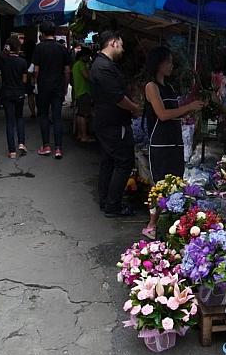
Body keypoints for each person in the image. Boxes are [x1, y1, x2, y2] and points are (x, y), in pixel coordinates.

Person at [143, 46, 204, 239]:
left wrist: (190, 110)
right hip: (160, 143)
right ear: (158, 63)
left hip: (175, 142)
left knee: (175, 184)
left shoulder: (169, 87)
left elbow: (174, 114)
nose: (171, 65)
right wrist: (188, 106)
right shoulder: (151, 87)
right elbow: (162, 114)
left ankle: (170, 222)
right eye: (168, 61)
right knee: (159, 185)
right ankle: (152, 224)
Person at [90, 31, 140, 218]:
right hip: (113, 122)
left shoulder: (103, 65)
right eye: (121, 44)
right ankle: (113, 205)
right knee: (123, 162)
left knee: (109, 161)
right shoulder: (103, 67)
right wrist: (134, 108)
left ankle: (107, 201)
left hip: (107, 121)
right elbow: (117, 97)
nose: (123, 48)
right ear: (113, 43)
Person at [33, 21, 70, 159]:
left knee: (43, 115)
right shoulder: (62, 48)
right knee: (57, 117)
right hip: (58, 87)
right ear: (54, 33)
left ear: (42, 34)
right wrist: (66, 86)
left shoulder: (39, 48)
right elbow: (67, 70)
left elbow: (36, 70)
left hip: (43, 87)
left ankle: (46, 146)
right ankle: (59, 148)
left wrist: (36, 83)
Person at [0, 37, 28, 159]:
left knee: (9, 121)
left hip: (6, 93)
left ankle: (12, 151)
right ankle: (22, 143)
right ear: (18, 47)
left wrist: (2, 73)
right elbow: (24, 80)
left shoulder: (1, 60)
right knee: (19, 117)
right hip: (19, 93)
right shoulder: (22, 62)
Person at [72, 46, 94, 142]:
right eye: (88, 56)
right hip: (84, 91)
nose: (89, 58)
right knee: (84, 115)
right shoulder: (81, 64)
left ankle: (80, 135)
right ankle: (84, 136)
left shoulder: (75, 65)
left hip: (78, 91)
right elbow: (87, 77)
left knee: (80, 114)